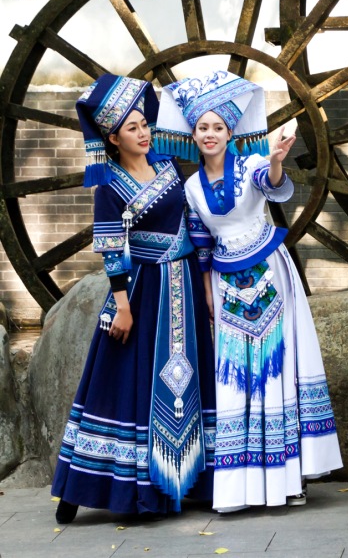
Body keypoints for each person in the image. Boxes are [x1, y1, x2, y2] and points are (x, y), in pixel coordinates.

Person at [155, 70, 342, 512]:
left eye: (218, 127)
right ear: (193, 135)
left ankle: (288, 479)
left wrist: (276, 160)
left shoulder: (252, 164)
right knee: (236, 377)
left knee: (278, 371)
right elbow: (201, 244)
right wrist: (207, 294)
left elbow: (272, 186)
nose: (210, 134)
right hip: (226, 286)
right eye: (203, 128)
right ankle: (241, 486)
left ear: (230, 133)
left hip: (270, 273)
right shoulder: (191, 188)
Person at [53, 75, 216, 524]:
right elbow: (110, 248)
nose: (144, 133)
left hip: (184, 284)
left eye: (145, 124)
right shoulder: (109, 185)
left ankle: (184, 481)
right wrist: (122, 306)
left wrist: (205, 284)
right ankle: (86, 487)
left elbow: (192, 222)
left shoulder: (168, 165)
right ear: (112, 138)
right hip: (142, 295)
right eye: (132, 128)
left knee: (185, 378)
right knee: (120, 385)